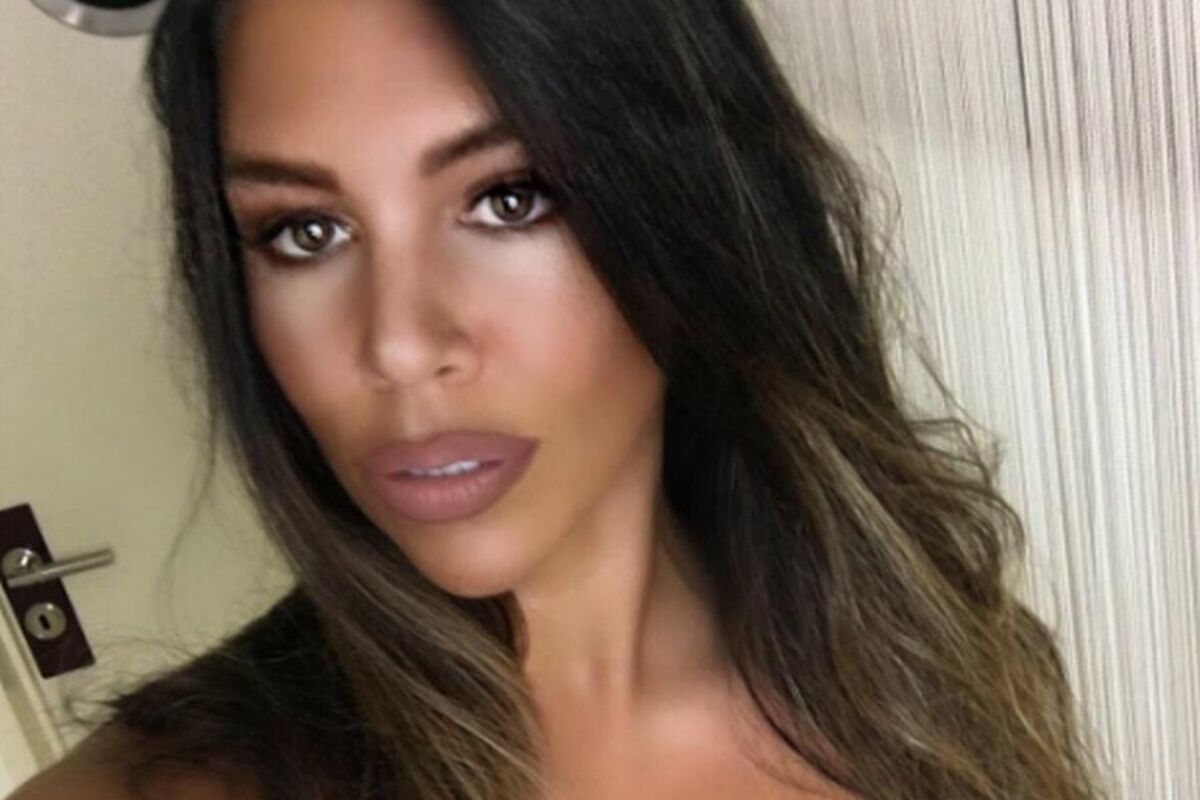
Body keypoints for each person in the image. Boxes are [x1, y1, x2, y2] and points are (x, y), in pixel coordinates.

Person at [8, 0, 1109, 798]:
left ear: (692, 215)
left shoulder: (940, 663)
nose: (399, 345)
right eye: (305, 231)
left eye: (510, 198)